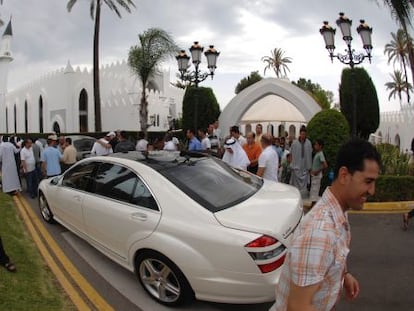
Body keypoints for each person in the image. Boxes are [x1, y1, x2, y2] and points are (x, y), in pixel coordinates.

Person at [271, 139, 381, 311]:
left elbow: (333, 255)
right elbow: (298, 307)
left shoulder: (338, 212)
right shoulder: (320, 232)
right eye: (368, 181)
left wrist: (344, 274)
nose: (372, 190)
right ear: (344, 175)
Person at [290, 127, 312, 198]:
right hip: (296, 166)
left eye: (304, 134)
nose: (303, 136)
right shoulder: (294, 143)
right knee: (295, 184)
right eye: (302, 134)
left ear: (306, 134)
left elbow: (310, 155)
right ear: (300, 134)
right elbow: (291, 154)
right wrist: (292, 164)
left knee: (304, 185)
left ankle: (303, 196)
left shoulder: (309, 143)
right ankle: (296, 196)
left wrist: (309, 167)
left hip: (305, 166)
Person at [309, 139, 328, 203]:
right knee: (313, 190)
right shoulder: (317, 154)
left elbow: (325, 165)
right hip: (314, 174)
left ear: (320, 146)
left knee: (315, 190)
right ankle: (312, 204)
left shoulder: (320, 154)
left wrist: (317, 171)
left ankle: (313, 204)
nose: (315, 146)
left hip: (317, 175)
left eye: (316, 144)